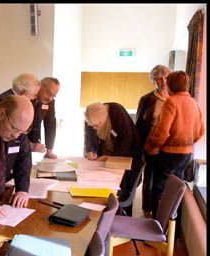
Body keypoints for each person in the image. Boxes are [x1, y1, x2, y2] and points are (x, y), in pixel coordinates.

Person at [145, 71, 204, 217]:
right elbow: (201, 131)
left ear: (171, 85)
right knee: (176, 190)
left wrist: (151, 145)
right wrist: (188, 143)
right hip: (186, 154)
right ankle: (173, 227)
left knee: (160, 189)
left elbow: (162, 131)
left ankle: (157, 225)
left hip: (169, 153)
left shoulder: (172, 102)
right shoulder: (194, 103)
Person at [84, 102, 144, 216]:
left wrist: (112, 157)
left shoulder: (116, 112)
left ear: (104, 119)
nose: (95, 128)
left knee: (122, 188)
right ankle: (101, 216)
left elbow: (127, 139)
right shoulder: (91, 117)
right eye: (93, 125)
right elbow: (89, 138)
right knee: (102, 185)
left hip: (127, 157)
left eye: (97, 125)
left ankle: (121, 218)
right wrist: (90, 151)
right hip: (107, 160)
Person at [136, 64, 171, 219]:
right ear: (153, 81)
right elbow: (139, 124)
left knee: (163, 181)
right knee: (149, 178)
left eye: (165, 77)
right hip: (150, 145)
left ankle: (161, 213)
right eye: (159, 78)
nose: (163, 81)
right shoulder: (147, 99)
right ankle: (147, 210)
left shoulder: (175, 98)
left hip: (169, 148)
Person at [28, 77, 60, 159]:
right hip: (18, 138)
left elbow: (50, 124)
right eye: (49, 93)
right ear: (40, 86)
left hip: (33, 140)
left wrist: (49, 150)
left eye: (53, 96)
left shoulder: (50, 102)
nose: (50, 98)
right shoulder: (28, 97)